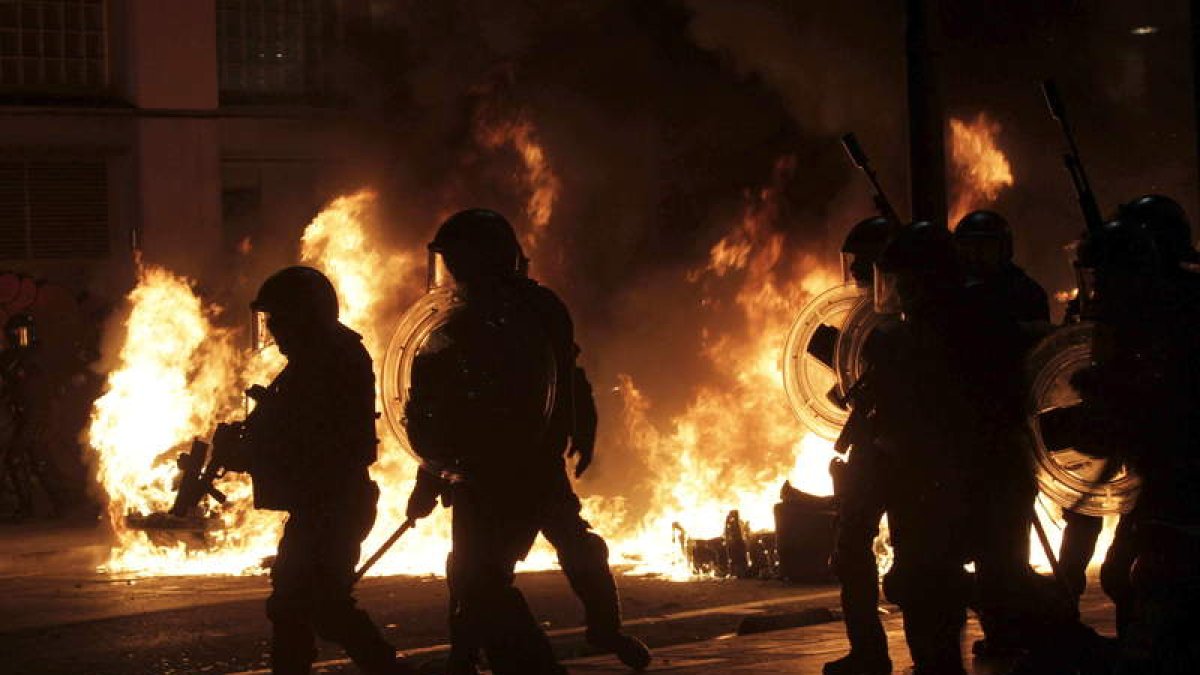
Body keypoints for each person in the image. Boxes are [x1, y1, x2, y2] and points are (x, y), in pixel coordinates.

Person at [404, 209, 648, 675]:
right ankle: (470, 652)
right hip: (482, 468)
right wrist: (431, 471)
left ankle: (585, 635)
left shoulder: (526, 311)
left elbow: (559, 376)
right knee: (476, 571)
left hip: (521, 462)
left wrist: (582, 423)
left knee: (504, 567)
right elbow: (442, 409)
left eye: (458, 258)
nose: (451, 269)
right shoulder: (463, 319)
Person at [233, 266, 413, 675]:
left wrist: (254, 449)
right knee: (301, 604)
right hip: (321, 504)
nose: (273, 329)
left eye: (279, 318)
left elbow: (315, 437)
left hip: (333, 503)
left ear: (306, 315)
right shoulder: (319, 357)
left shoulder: (330, 358)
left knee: (313, 605)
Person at [1069, 195, 1200, 671]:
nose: (1098, 289)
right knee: (1127, 574)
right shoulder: (1140, 317)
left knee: (1154, 581)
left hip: (1181, 485)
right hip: (1158, 482)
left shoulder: (1174, 316)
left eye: (1107, 276)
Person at [823, 215, 895, 675]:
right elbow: (858, 386)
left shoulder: (910, 320)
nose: (853, 272)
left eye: (864, 262)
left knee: (924, 563)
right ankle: (868, 651)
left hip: (908, 448)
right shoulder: (864, 319)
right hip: (871, 445)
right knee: (850, 552)